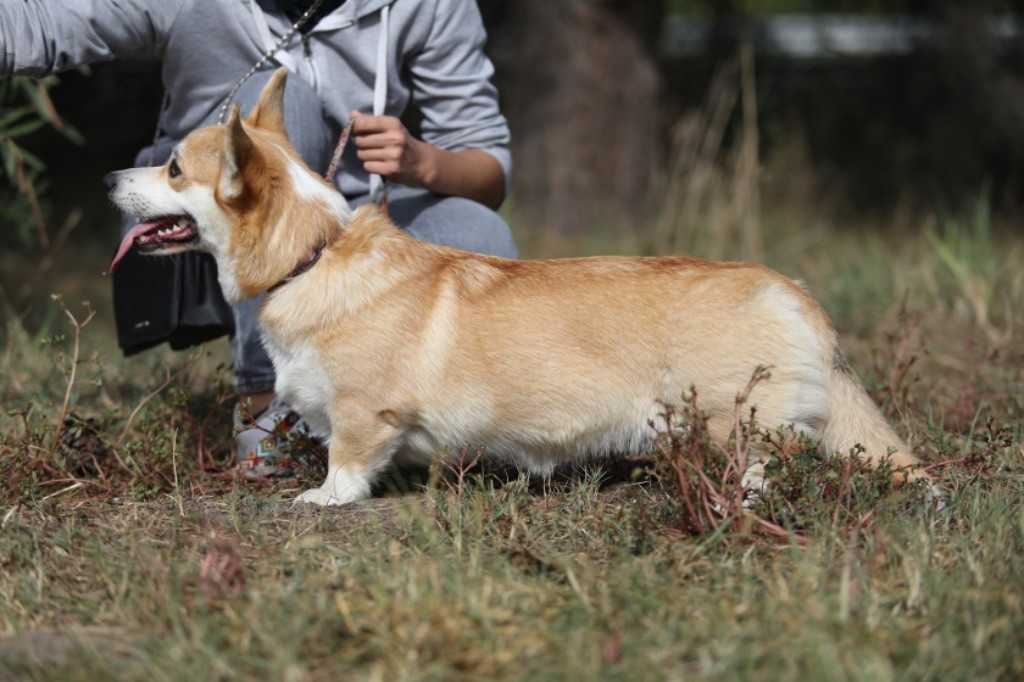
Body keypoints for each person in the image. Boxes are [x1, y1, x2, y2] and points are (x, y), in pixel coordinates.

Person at [0, 0, 519, 475]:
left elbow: (488, 166)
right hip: (219, 221)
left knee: (481, 231)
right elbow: (42, 25)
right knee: (277, 101)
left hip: (359, 231)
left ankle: (424, 422)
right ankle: (270, 416)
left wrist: (422, 162)